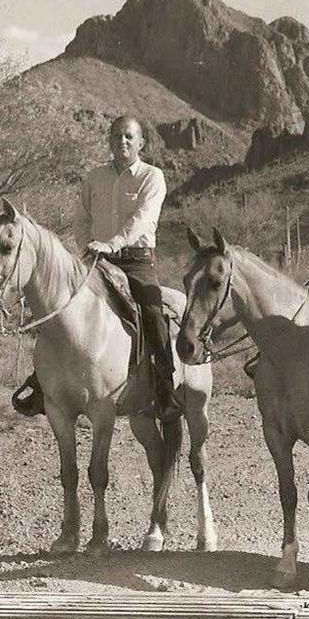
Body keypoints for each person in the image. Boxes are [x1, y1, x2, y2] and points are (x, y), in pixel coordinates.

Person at [80, 115, 178, 418]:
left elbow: (144, 219)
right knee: (61, 303)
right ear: (109, 141)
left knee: (152, 312)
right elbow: (81, 218)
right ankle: (43, 383)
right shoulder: (94, 177)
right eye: (116, 136)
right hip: (98, 258)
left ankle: (166, 388)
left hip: (137, 259)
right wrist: (86, 249)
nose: (121, 141)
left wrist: (114, 243)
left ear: (140, 143)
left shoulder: (152, 176)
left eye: (128, 136)